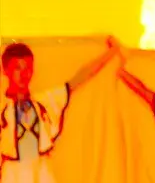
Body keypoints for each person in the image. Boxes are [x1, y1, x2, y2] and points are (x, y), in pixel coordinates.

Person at [0, 37, 121, 182]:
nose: (24, 74)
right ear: (5, 70)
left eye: (28, 68)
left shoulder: (44, 102)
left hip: (42, 170)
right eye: (17, 68)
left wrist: (111, 52)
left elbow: (82, 76)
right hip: (13, 173)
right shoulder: (2, 107)